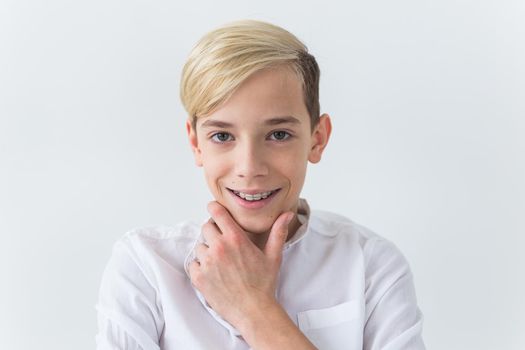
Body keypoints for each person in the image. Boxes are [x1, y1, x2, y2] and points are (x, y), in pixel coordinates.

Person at [95, 19, 425, 350]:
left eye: (278, 135)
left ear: (317, 139)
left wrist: (254, 309)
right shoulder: (145, 267)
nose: (250, 168)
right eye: (222, 136)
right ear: (196, 144)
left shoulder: (372, 266)